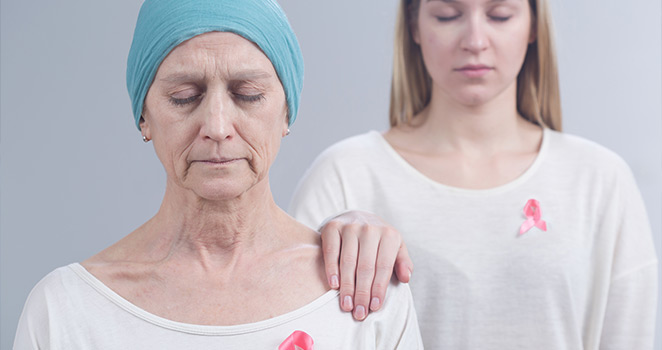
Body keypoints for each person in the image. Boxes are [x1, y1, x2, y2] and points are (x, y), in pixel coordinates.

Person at [13, 0, 423, 348]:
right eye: (184, 98)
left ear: (286, 111)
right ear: (143, 116)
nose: (217, 125)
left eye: (248, 95)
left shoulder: (364, 290)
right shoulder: (65, 310)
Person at [290, 0, 659, 348]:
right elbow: (291, 328)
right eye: (448, 16)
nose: (475, 41)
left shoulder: (600, 180)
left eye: (499, 15)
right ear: (414, 25)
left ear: (533, 25)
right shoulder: (344, 176)